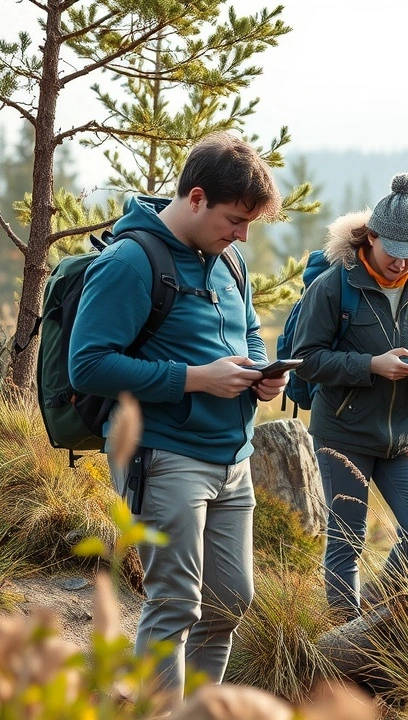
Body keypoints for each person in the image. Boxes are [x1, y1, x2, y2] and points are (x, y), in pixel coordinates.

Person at [68, 131, 284, 698]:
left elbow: (249, 335)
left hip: (233, 459)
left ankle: (201, 711)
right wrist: (197, 379)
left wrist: (262, 372)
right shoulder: (130, 261)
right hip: (164, 456)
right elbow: (86, 366)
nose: (241, 235)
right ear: (194, 198)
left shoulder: (228, 259)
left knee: (230, 602)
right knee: (176, 604)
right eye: (234, 220)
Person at [292, 173, 408, 619]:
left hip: (405, 436)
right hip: (343, 433)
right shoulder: (332, 286)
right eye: (394, 252)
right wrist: (372, 366)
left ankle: (373, 609)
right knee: (348, 540)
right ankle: (342, 637)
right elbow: (306, 358)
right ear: (372, 236)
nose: (402, 264)